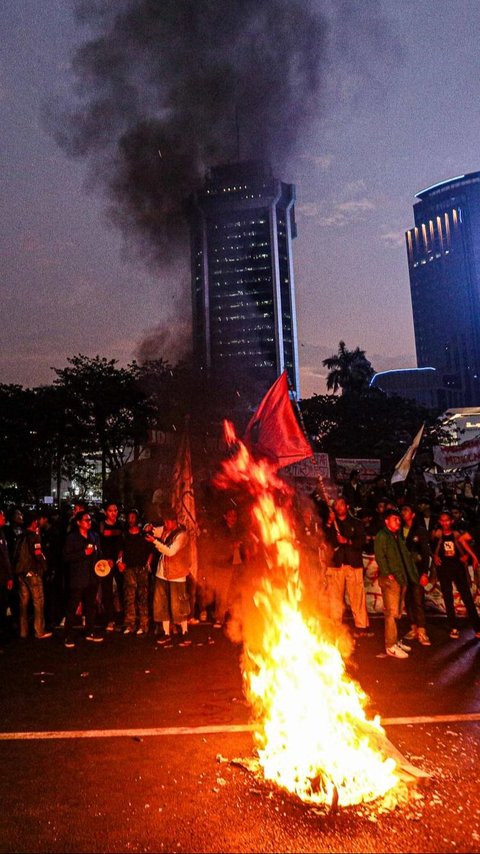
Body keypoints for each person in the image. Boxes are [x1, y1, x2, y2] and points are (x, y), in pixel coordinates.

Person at [325, 497, 373, 639]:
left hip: (353, 564)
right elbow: (326, 539)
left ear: (347, 506)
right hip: (336, 565)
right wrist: (329, 522)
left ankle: (361, 626)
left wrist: (347, 541)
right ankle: (335, 626)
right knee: (334, 598)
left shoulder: (356, 523)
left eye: (341, 504)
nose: (339, 507)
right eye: (336, 505)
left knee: (357, 597)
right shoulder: (331, 524)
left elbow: (361, 541)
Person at [374, 509, 419, 659]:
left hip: (400, 578)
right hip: (391, 580)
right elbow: (380, 555)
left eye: (399, 520)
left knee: (397, 612)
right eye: (394, 519)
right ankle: (390, 646)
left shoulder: (396, 536)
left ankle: (394, 641)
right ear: (386, 521)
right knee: (391, 614)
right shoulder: (382, 536)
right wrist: (388, 573)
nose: (398, 522)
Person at [431, 510, 480, 640]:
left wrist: (467, 556)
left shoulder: (457, 534)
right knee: (448, 598)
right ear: (439, 522)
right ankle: (453, 627)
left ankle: (477, 627)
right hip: (444, 570)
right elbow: (431, 549)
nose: (445, 522)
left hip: (458, 569)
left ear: (452, 521)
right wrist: (435, 557)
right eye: (442, 520)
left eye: (447, 520)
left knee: (467, 598)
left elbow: (466, 548)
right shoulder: (437, 534)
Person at [148, 508, 192, 646]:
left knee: (179, 605)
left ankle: (185, 632)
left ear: (174, 521)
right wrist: (148, 527)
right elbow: (153, 530)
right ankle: (166, 633)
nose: (165, 524)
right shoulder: (166, 529)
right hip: (162, 574)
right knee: (162, 604)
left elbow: (170, 552)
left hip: (177, 575)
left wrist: (155, 542)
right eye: (164, 521)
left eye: (167, 521)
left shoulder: (182, 535)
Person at [63, 510, 104, 647]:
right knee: (73, 607)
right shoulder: (72, 538)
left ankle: (89, 631)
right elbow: (66, 557)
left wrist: (105, 562)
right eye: (86, 520)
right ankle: (68, 635)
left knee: (90, 606)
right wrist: (83, 553)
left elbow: (99, 554)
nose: (89, 522)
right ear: (78, 522)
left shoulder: (94, 536)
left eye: (90, 520)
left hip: (92, 578)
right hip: (78, 578)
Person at [14, 511, 52, 640]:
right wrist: (44, 565)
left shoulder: (20, 536)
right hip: (32, 572)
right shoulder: (34, 537)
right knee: (38, 601)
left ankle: (23, 631)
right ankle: (39, 630)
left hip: (21, 573)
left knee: (23, 603)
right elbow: (38, 554)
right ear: (34, 522)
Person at [400, 503, 431, 646]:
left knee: (418, 601)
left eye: (406, 509)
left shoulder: (420, 530)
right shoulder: (399, 530)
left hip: (417, 570)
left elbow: (425, 553)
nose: (403, 512)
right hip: (404, 571)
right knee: (408, 600)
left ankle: (422, 630)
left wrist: (425, 572)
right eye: (402, 510)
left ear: (412, 515)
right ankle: (413, 627)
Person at [117, 509, 153, 636]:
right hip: (129, 569)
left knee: (143, 597)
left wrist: (148, 564)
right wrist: (119, 562)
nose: (130, 520)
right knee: (129, 597)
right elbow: (120, 550)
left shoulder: (144, 535)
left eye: (133, 517)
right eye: (129, 517)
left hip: (142, 569)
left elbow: (151, 550)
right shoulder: (124, 535)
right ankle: (130, 624)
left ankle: (144, 625)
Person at [98, 502, 124, 631]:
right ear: (105, 512)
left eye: (115, 510)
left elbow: (122, 544)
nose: (113, 513)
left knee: (122, 589)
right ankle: (110, 619)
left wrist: (119, 558)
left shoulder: (120, 525)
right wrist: (106, 558)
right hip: (105, 563)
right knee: (107, 591)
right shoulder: (101, 526)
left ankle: (122, 618)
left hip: (119, 562)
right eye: (110, 510)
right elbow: (99, 545)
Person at [0, 509, 14, 641]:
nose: (4, 518)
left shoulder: (3, 533)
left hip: (4, 577)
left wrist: (9, 577)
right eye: (2, 516)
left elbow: (6, 558)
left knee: (3, 606)